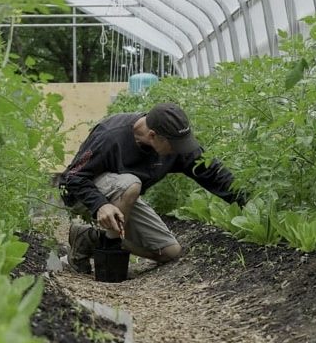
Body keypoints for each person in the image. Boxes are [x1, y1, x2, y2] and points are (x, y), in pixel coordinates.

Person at [58, 102, 248, 275]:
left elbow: (212, 172)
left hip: (123, 197)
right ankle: (110, 252)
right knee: (131, 184)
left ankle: (88, 238)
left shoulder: (173, 140)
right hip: (83, 196)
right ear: (152, 136)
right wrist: (100, 204)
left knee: (170, 251)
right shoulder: (111, 135)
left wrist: (249, 202)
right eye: (175, 146)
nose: (180, 150)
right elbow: (73, 177)